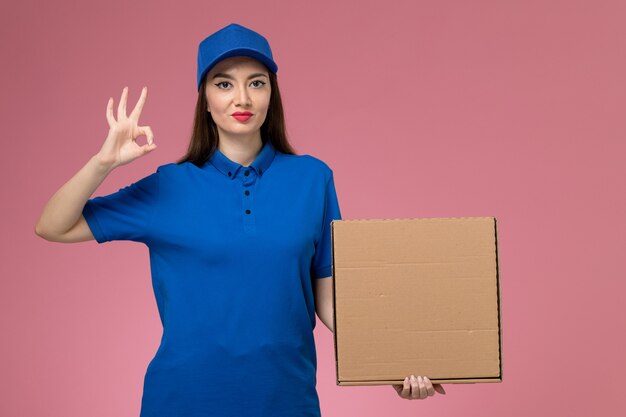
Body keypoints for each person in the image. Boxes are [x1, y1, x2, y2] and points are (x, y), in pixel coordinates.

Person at [35, 22, 445, 416]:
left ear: (272, 94)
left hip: (286, 401)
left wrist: (392, 357)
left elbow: (329, 298)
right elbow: (52, 226)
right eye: (224, 83)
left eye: (256, 82)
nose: (242, 99)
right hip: (182, 402)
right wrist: (102, 164)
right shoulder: (169, 187)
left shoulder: (313, 179)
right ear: (206, 99)